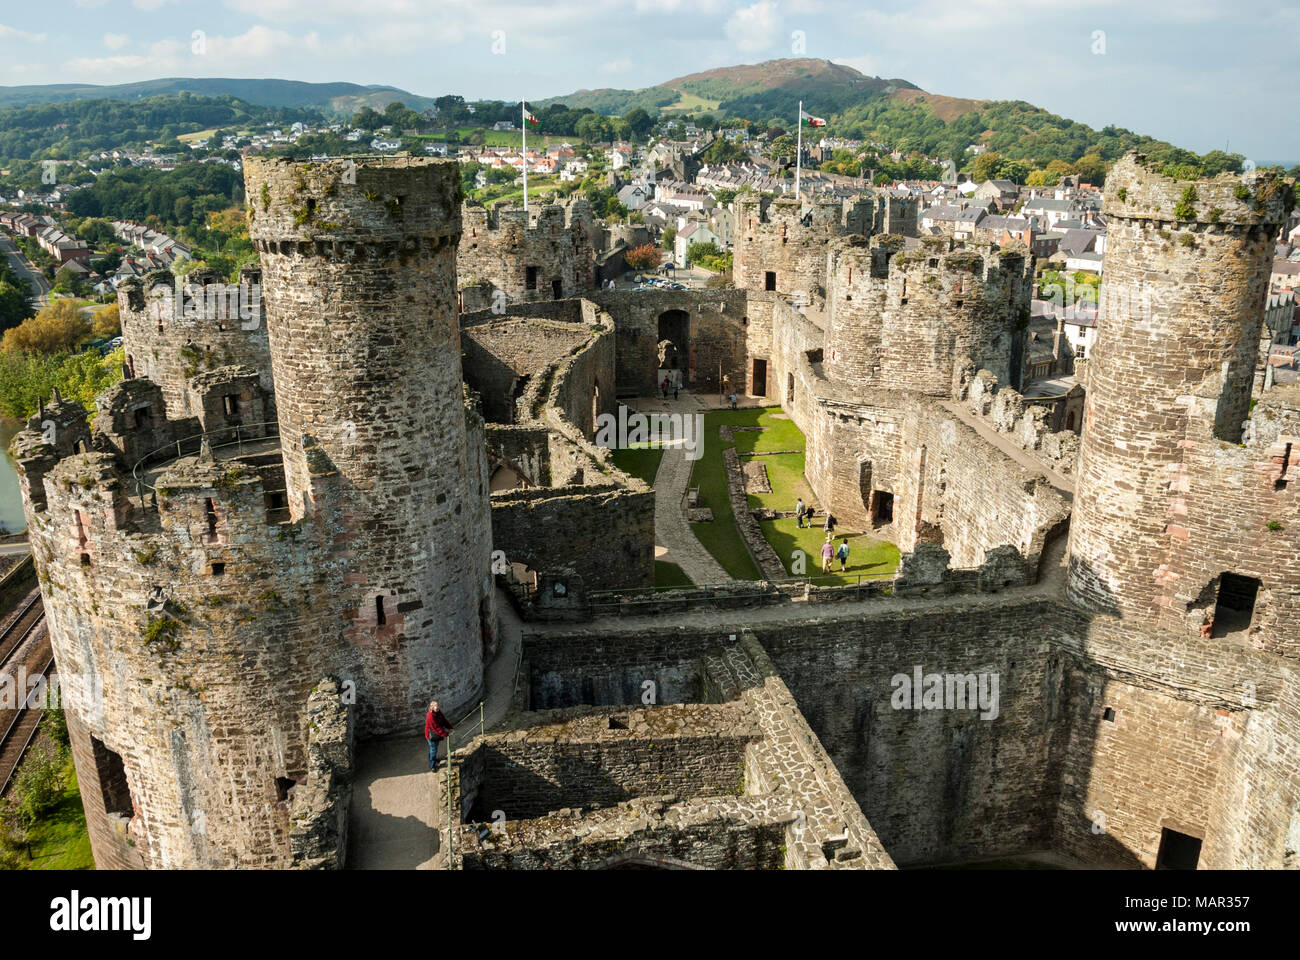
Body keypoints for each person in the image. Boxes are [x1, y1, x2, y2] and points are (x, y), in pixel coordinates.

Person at [425, 699, 453, 772]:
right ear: (432, 708)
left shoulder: (438, 712)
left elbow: (444, 720)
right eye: (435, 706)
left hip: (436, 735)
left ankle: (432, 758)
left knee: (434, 749)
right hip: (431, 736)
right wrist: (446, 734)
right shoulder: (430, 716)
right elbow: (436, 728)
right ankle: (432, 766)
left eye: (437, 706)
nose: (437, 708)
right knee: (433, 750)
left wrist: (450, 727)